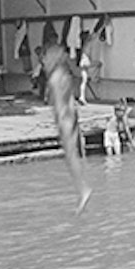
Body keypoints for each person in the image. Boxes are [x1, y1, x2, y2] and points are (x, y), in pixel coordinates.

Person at [43, 44, 92, 214]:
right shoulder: (65, 75)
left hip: (64, 119)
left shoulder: (55, 79)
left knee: (70, 156)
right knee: (74, 155)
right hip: (72, 116)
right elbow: (70, 100)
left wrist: (60, 122)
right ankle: (82, 189)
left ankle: (83, 190)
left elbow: (58, 104)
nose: (44, 62)